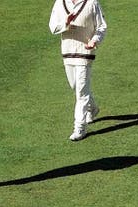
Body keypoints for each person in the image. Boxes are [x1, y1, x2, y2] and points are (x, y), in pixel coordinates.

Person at [49, 0, 107, 141]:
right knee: (76, 87)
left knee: (81, 91)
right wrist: (66, 23)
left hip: (85, 52)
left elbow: (102, 27)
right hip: (68, 53)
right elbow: (52, 27)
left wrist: (95, 40)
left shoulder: (92, 3)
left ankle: (79, 127)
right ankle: (92, 108)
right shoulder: (59, 3)